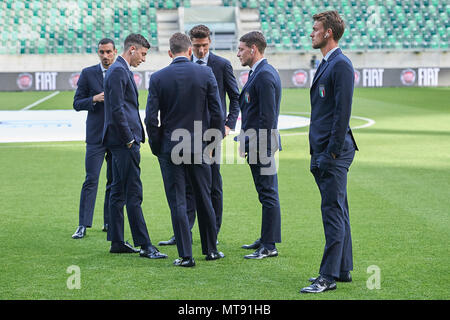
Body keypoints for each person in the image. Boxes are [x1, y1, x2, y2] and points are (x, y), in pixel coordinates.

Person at [145, 32, 225, 267]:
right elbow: (218, 112)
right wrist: (212, 144)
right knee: (204, 197)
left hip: (171, 146)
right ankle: (211, 250)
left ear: (170, 53)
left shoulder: (159, 77)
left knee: (178, 201)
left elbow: (151, 118)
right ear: (190, 50)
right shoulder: (205, 72)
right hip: (200, 145)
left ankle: (185, 255)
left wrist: (157, 145)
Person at [158, 24, 240, 246]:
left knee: (212, 185)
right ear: (189, 45)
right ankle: (184, 232)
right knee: (185, 187)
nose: (201, 51)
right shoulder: (182, 65)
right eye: (196, 46)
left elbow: (235, 97)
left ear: (210, 42)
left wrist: (227, 125)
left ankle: (212, 233)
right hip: (184, 136)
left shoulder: (221, 65)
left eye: (204, 46)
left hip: (211, 135)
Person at [300, 11, 358, 294]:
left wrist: (331, 154)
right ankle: (342, 269)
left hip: (334, 152)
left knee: (332, 212)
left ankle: (328, 276)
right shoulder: (327, 63)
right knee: (339, 209)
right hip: (324, 150)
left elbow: (342, 114)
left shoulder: (341, 65)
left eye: (315, 29)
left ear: (328, 33)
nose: (311, 33)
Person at [102, 33, 167, 259]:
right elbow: (118, 109)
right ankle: (145, 245)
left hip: (116, 141)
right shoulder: (119, 70)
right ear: (132, 49)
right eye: (143, 53)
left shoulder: (118, 70)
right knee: (133, 192)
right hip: (123, 142)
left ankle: (117, 241)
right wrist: (129, 138)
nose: (144, 58)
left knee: (118, 191)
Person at [236, 31, 282, 260]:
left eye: (241, 49)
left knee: (268, 193)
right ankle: (266, 238)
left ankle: (269, 244)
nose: (238, 54)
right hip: (257, 144)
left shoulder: (264, 75)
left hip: (262, 145)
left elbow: (267, 118)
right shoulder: (260, 73)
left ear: (253, 49)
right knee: (265, 193)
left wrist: (257, 147)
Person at [72, 38, 116, 239]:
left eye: (108, 52)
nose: (105, 56)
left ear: (114, 52)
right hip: (95, 136)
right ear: (98, 53)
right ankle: (83, 224)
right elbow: (77, 103)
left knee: (113, 180)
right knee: (91, 179)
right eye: (101, 52)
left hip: (116, 135)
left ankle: (109, 221)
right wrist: (93, 99)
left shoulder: (121, 72)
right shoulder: (88, 73)